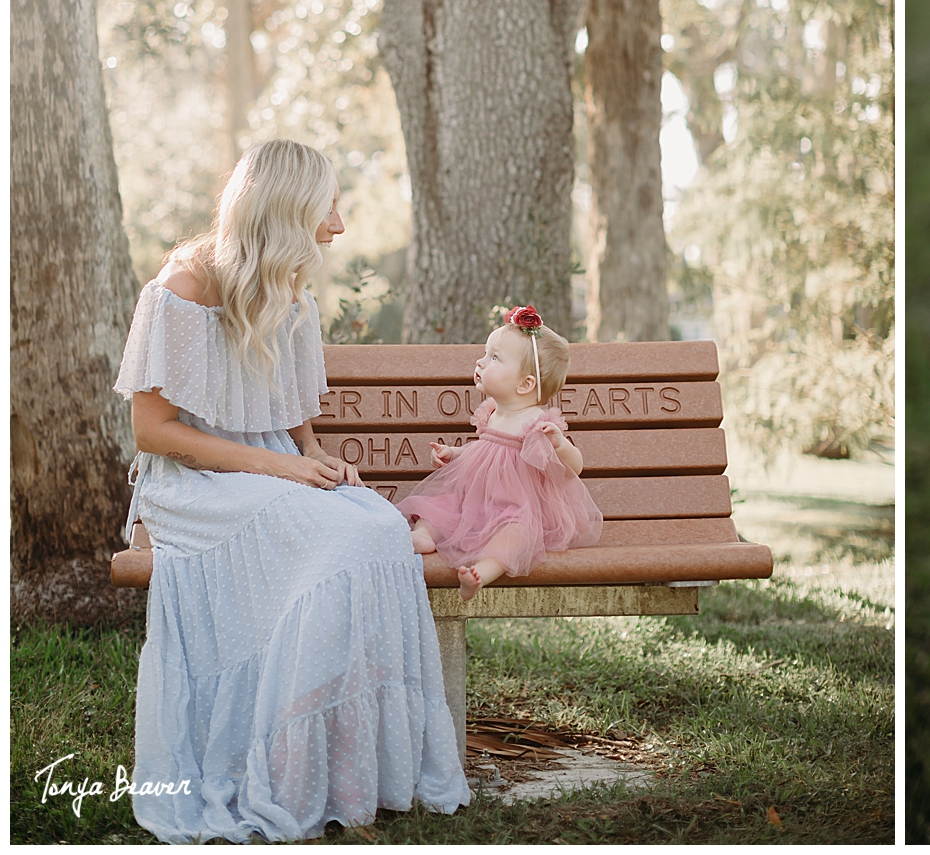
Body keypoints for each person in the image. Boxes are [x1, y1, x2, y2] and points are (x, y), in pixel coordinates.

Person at [117, 139, 469, 843]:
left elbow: (291, 410)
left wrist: (313, 455)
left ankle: (340, 763)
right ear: (284, 211)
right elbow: (153, 431)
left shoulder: (290, 283)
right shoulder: (184, 288)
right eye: (327, 208)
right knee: (341, 536)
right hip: (195, 485)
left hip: (272, 467)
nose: (338, 226)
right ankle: (279, 755)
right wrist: (281, 471)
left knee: (373, 526)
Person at [399, 306, 602, 601]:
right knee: (442, 506)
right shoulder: (491, 413)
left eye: (494, 358)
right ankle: (424, 536)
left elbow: (576, 468)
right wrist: (454, 454)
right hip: (475, 501)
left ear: (525, 384)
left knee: (516, 536)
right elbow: (482, 451)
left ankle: (480, 573)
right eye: (485, 353)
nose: (480, 362)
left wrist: (560, 445)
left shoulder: (538, 423)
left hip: (515, 509)